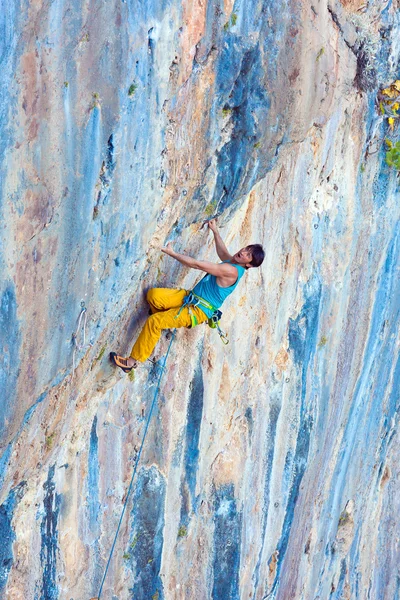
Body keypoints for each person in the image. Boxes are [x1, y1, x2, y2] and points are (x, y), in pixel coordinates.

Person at [110, 219, 265, 372]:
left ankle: (131, 362)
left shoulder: (232, 271)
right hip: (190, 297)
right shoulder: (233, 262)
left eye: (248, 255)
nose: (243, 252)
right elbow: (223, 253)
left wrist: (172, 253)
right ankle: (166, 318)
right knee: (153, 295)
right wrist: (215, 231)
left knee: (154, 322)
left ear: (249, 265)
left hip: (198, 311)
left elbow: (197, 264)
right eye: (246, 249)